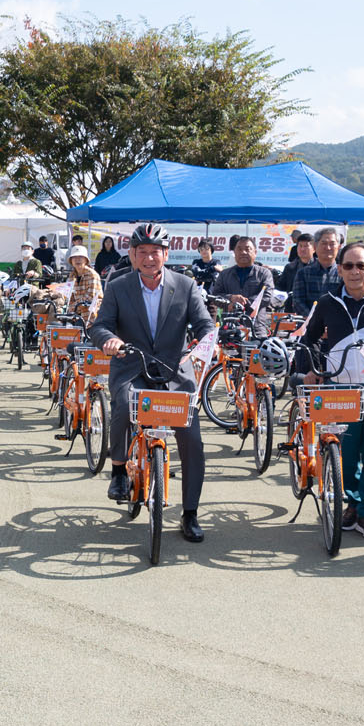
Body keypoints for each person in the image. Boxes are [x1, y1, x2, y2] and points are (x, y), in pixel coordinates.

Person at [89, 223, 215, 543]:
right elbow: (100, 326)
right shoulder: (118, 286)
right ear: (132, 254)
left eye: (154, 252)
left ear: (166, 254)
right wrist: (110, 340)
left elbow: (204, 324)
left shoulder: (185, 285)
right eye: (141, 251)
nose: (148, 258)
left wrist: (205, 343)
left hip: (175, 374)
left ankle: (190, 514)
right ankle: (119, 470)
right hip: (132, 368)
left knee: (192, 439)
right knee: (122, 404)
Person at [295, 241, 364, 541]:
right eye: (348, 266)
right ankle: (352, 504)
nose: (355, 271)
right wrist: (311, 369)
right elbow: (310, 339)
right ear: (340, 269)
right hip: (340, 385)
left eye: (361, 265)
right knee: (344, 451)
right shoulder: (328, 301)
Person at [289, 227, 343, 315]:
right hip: (309, 321)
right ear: (315, 246)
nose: (328, 248)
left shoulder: (344, 273)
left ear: (339, 246)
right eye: (324, 243)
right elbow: (298, 302)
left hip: (337, 321)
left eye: (332, 244)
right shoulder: (303, 273)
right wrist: (314, 319)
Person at [210, 236, 277, 305]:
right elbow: (216, 295)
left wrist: (243, 303)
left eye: (247, 249)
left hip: (255, 312)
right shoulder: (224, 274)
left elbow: (267, 296)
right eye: (239, 249)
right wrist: (231, 298)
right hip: (230, 312)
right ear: (234, 252)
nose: (243, 252)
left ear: (255, 252)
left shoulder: (264, 273)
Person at [62, 246, 103, 315]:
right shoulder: (71, 276)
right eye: (74, 257)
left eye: (80, 257)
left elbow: (90, 298)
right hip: (76, 314)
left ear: (86, 260)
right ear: (71, 261)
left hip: (92, 315)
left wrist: (72, 307)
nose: (77, 259)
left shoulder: (92, 275)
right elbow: (69, 297)